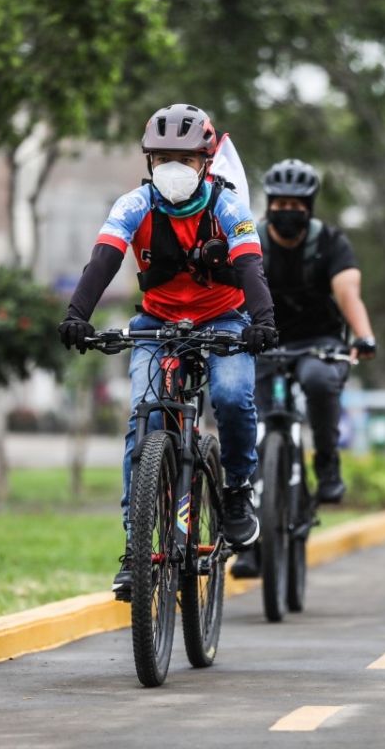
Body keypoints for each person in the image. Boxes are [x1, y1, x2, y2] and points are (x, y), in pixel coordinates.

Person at [58, 103, 277, 600]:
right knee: (144, 419)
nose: (172, 169)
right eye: (162, 158)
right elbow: (103, 260)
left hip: (225, 320)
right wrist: (77, 314)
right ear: (148, 161)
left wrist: (262, 323)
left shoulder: (228, 206)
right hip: (157, 323)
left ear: (206, 161)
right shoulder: (133, 205)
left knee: (231, 392)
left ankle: (239, 492)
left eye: (185, 158)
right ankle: (136, 550)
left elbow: (250, 269)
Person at [231, 159, 377, 579]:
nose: (288, 210)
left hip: (320, 343)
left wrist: (362, 337)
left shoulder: (330, 242)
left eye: (297, 203)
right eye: (280, 202)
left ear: (309, 207)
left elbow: (349, 293)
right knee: (249, 428)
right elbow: (234, 291)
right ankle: (248, 543)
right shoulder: (252, 240)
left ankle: (327, 465)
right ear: (269, 204)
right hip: (263, 341)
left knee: (317, 380)